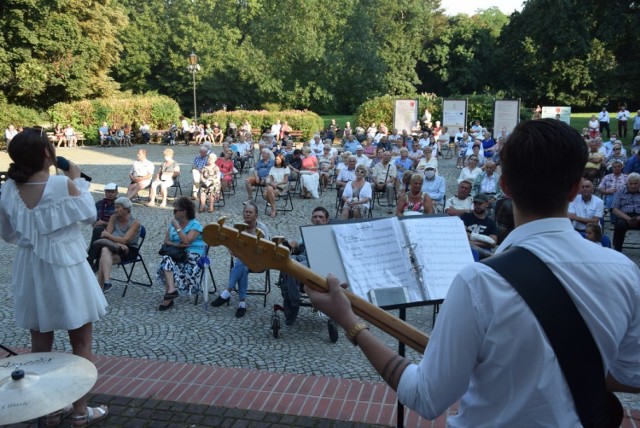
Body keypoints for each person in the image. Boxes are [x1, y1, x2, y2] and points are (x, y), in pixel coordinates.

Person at [305, 118, 640, 426]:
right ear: (574, 189)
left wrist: (349, 320)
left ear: (505, 188)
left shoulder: (479, 282)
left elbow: (425, 396)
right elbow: (631, 376)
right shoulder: (624, 272)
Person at [0, 128, 109, 426]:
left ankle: (45, 410)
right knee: (81, 342)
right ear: (49, 153)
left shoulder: (9, 188)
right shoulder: (62, 183)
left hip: (31, 267)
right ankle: (79, 411)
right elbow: (90, 216)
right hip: (67, 267)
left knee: (40, 341)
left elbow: (8, 234)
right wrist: (74, 177)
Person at [210, 202, 270, 317]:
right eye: (246, 212)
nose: (248, 214)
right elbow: (232, 248)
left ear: (256, 215)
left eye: (250, 212)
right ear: (243, 214)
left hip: (259, 262)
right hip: (243, 261)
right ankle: (241, 304)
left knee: (242, 262)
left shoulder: (262, 228)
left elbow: (266, 249)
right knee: (242, 266)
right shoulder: (239, 228)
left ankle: (227, 291)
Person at [277, 207, 330, 325]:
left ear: (326, 220)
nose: (318, 219)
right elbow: (298, 245)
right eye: (315, 217)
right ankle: (290, 298)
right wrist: (292, 244)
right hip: (303, 256)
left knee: (294, 268)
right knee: (286, 262)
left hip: (318, 261)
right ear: (311, 219)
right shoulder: (307, 232)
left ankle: (292, 302)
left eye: (321, 217)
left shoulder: (329, 233)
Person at [157, 196, 206, 311]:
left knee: (166, 262)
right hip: (177, 254)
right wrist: (177, 245)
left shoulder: (195, 225)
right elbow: (166, 241)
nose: (173, 212)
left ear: (184, 212)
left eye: (175, 210)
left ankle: (169, 296)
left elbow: (187, 242)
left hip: (192, 257)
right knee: (167, 259)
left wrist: (178, 228)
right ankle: (171, 291)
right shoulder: (173, 224)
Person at [89, 197, 141, 293]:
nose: (115, 210)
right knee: (105, 250)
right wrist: (117, 242)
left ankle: (98, 291)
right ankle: (107, 283)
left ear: (126, 209)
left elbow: (125, 240)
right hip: (113, 246)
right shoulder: (114, 217)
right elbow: (106, 237)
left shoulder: (135, 223)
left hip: (128, 250)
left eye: (118, 208)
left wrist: (112, 238)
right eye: (115, 207)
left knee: (103, 259)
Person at [611, 172, 640, 251]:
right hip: (624, 216)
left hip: (639, 216)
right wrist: (628, 219)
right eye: (631, 183)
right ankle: (617, 248)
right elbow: (614, 208)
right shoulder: (620, 192)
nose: (633, 186)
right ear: (627, 183)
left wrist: (638, 218)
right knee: (620, 225)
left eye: (635, 183)